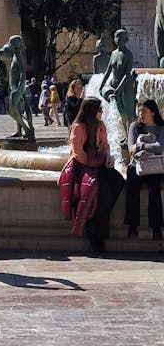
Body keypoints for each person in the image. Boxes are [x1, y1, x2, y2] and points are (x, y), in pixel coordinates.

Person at [59, 96, 124, 253]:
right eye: (99, 109)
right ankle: (95, 229)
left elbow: (106, 146)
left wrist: (108, 158)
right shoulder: (78, 128)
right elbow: (78, 154)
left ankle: (100, 218)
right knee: (98, 189)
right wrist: (95, 161)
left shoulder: (101, 126)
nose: (102, 112)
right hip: (82, 168)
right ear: (91, 111)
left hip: (98, 165)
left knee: (118, 180)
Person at [124, 99, 164, 240]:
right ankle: (132, 227)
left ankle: (157, 229)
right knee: (132, 188)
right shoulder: (134, 126)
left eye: (144, 111)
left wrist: (140, 147)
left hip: (155, 166)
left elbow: (159, 147)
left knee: (154, 190)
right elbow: (131, 148)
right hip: (137, 164)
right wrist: (139, 153)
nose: (141, 114)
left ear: (153, 112)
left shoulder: (161, 128)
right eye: (139, 111)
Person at [99, 28, 136, 141]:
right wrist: (102, 85)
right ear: (115, 39)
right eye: (117, 36)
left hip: (126, 87)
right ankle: (126, 137)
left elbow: (127, 74)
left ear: (126, 39)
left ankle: (131, 138)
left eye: (122, 37)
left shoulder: (128, 54)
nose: (119, 39)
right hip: (115, 87)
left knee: (129, 114)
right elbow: (108, 71)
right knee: (122, 114)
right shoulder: (113, 54)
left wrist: (119, 88)